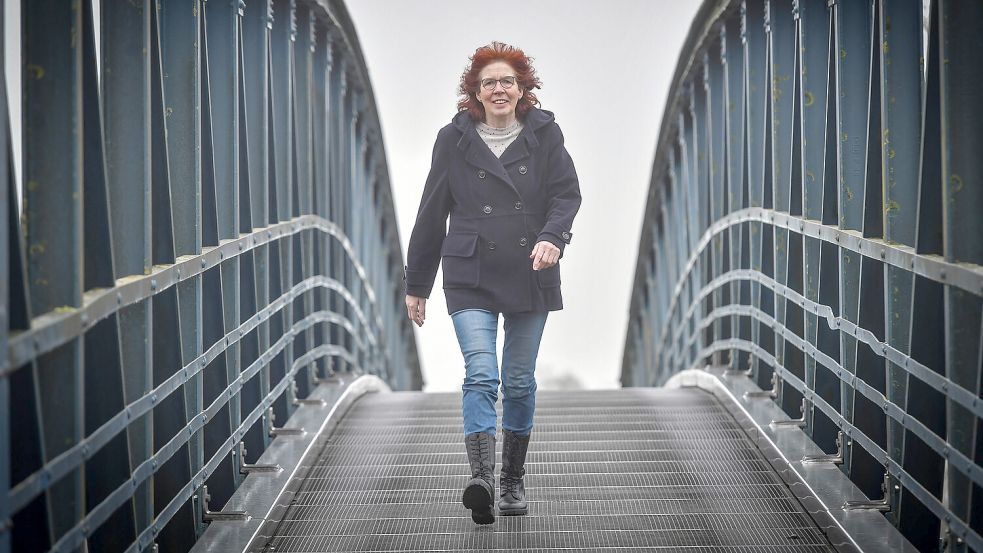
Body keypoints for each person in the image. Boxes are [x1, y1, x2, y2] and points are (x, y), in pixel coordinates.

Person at [403, 41, 581, 525]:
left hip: (532, 268)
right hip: (470, 272)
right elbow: (431, 212)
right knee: (482, 373)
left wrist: (553, 238)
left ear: (522, 89)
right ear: (475, 92)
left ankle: (512, 481)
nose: (498, 89)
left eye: (507, 81)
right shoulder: (453, 139)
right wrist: (416, 284)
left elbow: (566, 194)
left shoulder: (545, 133)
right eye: (489, 83)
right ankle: (481, 477)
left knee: (519, 381)